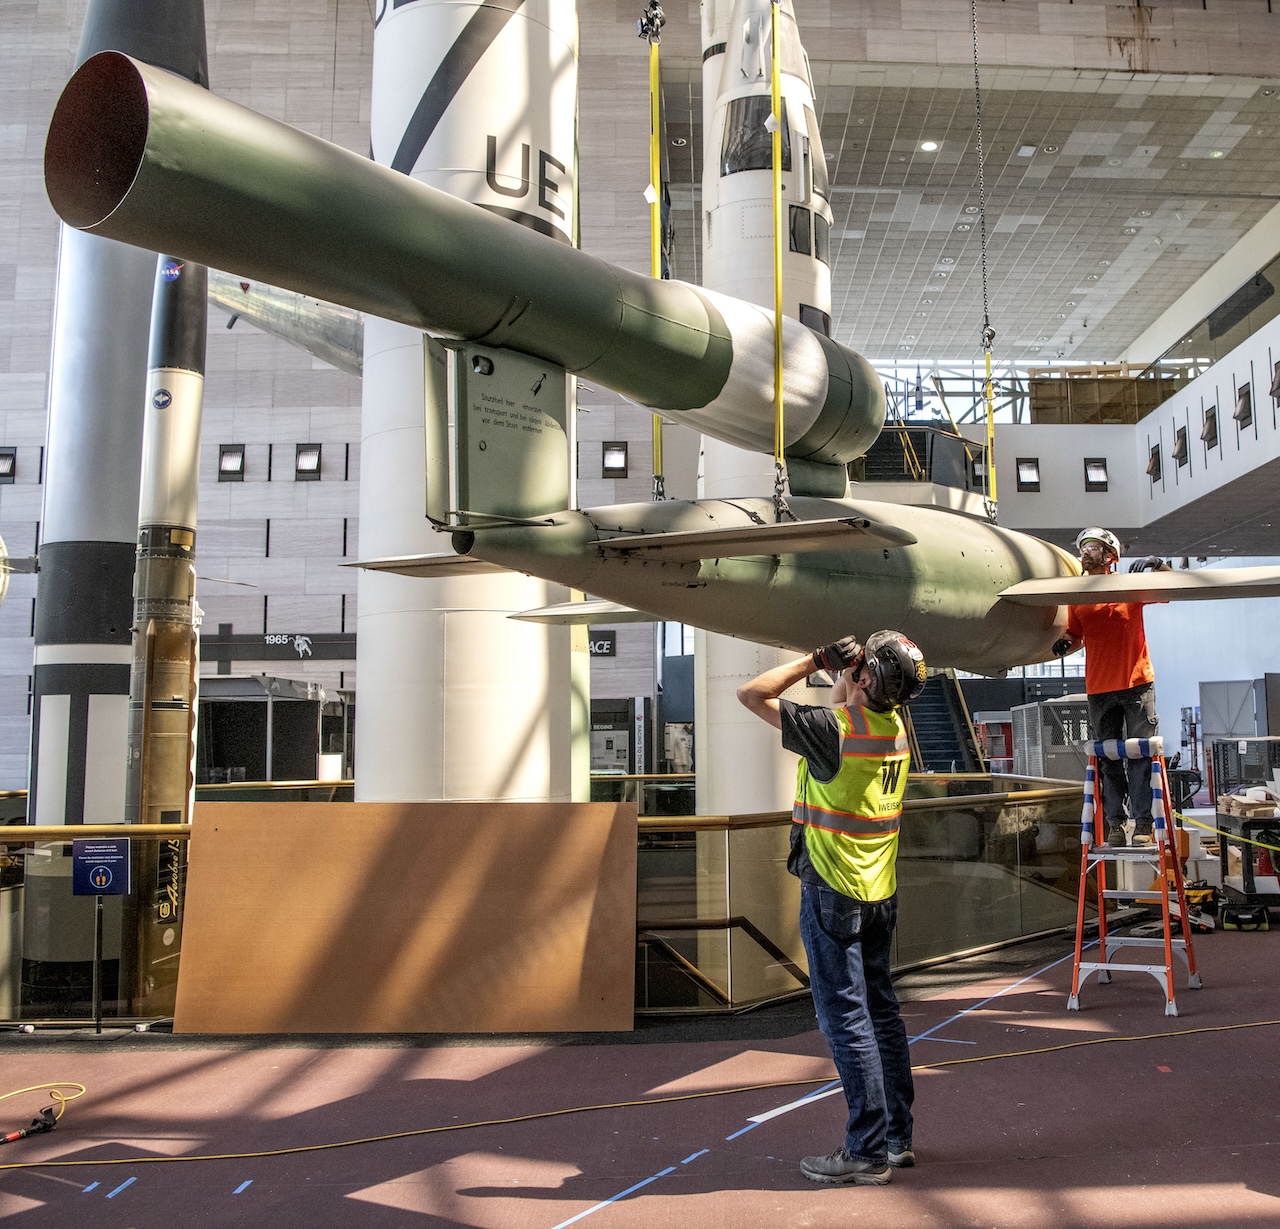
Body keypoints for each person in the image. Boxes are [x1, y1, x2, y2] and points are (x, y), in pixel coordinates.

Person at [737, 630, 927, 1186]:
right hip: (879, 892)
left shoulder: (834, 730)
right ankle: (897, 1138)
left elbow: (752, 694)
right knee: (883, 1013)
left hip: (832, 892)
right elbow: (856, 703)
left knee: (846, 1020)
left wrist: (817, 660)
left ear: (865, 679)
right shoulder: (893, 729)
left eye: (859, 665)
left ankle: (864, 1152)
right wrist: (852, 675)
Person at [1052, 527, 1170, 847]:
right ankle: (1117, 825)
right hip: (1100, 689)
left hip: (1136, 685)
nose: (1084, 552)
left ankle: (1143, 825)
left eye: (1091, 547)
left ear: (1109, 556)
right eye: (1083, 548)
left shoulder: (1129, 587)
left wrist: (1156, 563)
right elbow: (1075, 632)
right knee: (1109, 759)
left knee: (1139, 756)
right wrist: (1064, 643)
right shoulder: (1080, 595)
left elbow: (1167, 588)